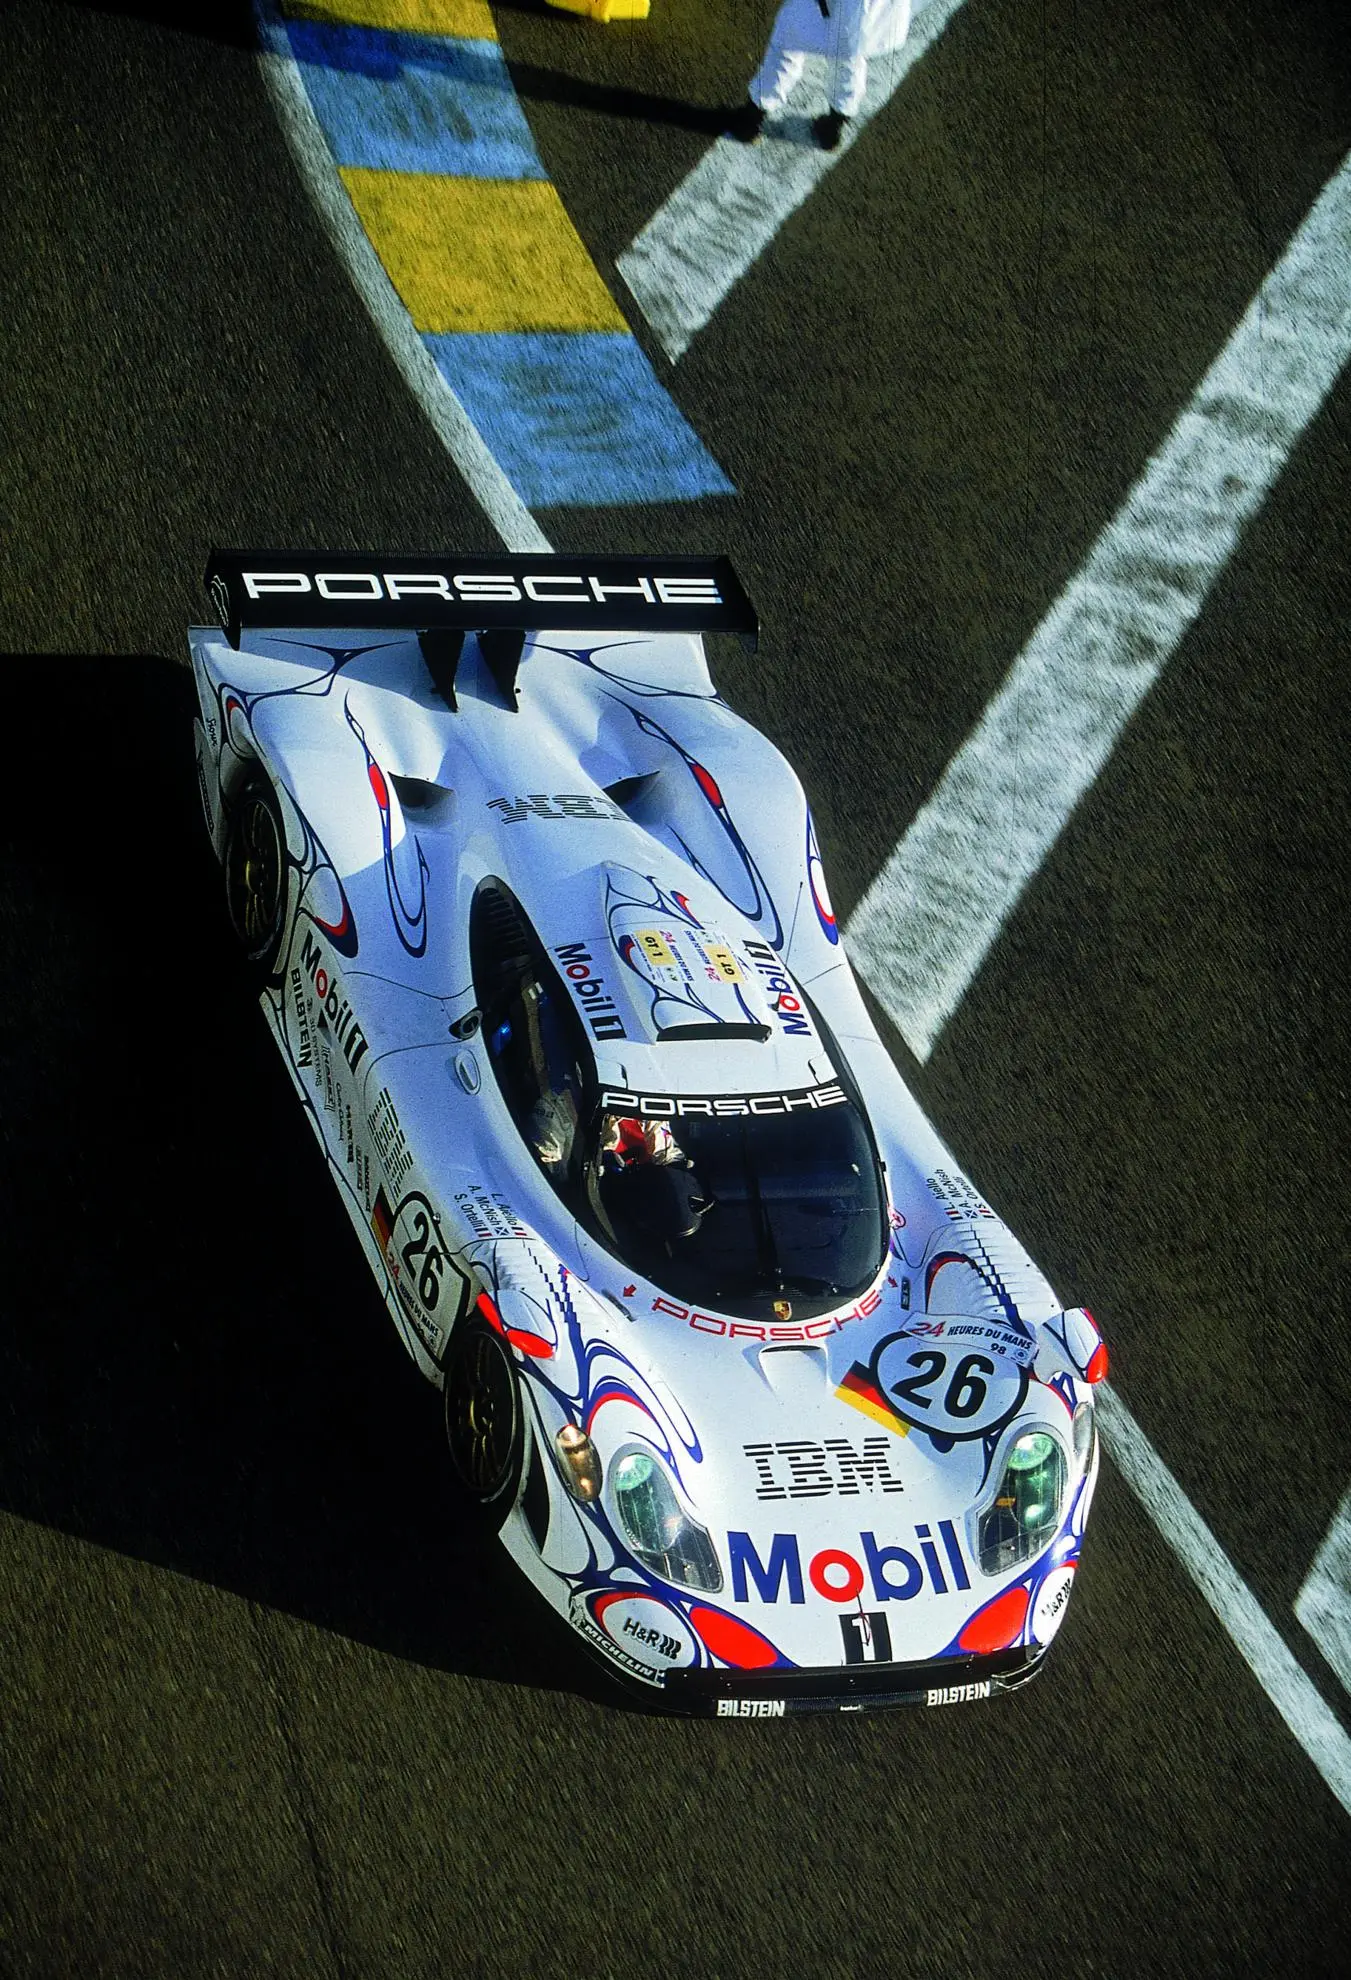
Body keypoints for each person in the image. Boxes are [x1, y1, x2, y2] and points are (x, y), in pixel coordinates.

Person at [727, 0, 912, 151]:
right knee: (850, 55)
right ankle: (833, 127)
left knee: (788, 41)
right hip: (884, 17)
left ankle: (750, 119)